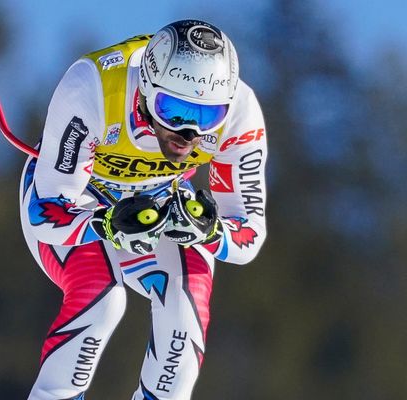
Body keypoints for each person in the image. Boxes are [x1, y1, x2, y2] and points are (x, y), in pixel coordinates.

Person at [19, 19, 267, 400]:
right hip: (79, 198)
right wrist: (104, 222)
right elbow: (45, 212)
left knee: (185, 313)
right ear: (147, 89)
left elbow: (248, 235)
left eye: (206, 117)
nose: (188, 134)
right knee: (102, 297)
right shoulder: (95, 86)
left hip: (159, 205)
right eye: (174, 110)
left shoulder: (240, 113)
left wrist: (211, 230)